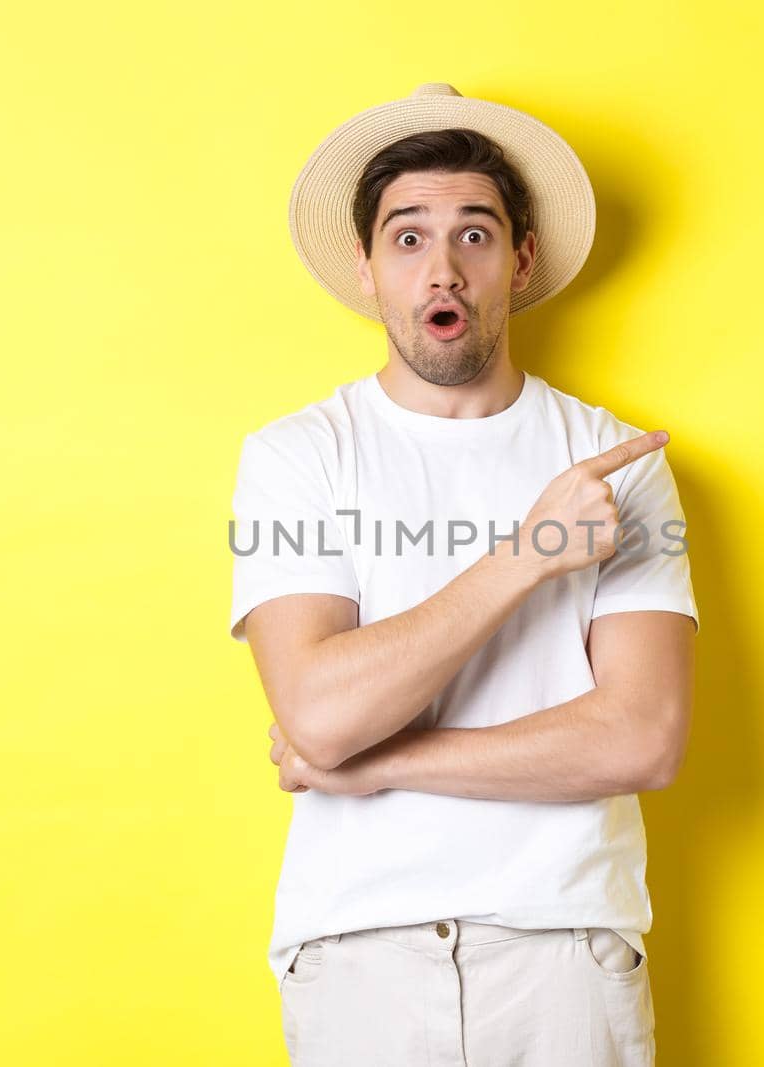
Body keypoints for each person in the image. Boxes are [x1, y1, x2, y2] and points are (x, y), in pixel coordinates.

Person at [228, 82, 699, 1066]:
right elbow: (317, 713)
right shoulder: (296, 456)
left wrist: (385, 762)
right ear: (366, 267)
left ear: (519, 259)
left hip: (565, 946)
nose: (441, 266)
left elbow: (642, 736)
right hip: (357, 954)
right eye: (407, 238)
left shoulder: (616, 460)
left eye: (474, 234)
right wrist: (526, 555)